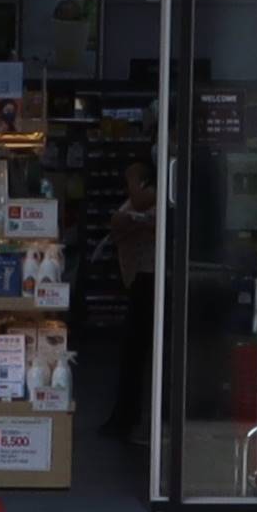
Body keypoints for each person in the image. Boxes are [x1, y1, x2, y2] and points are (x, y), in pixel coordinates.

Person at [101, 159, 159, 440]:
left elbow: (127, 217)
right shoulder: (143, 203)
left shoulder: (156, 199)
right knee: (133, 353)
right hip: (140, 279)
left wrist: (134, 180)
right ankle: (128, 416)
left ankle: (132, 418)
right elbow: (118, 223)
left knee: (136, 352)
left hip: (149, 280)